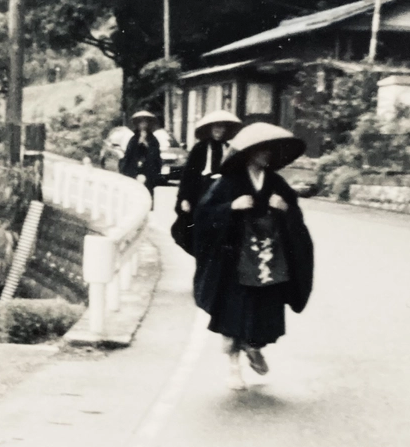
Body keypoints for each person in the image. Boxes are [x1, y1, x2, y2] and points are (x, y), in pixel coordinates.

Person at [192, 121, 314, 390]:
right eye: (262, 150)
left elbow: (296, 218)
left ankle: (254, 346)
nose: (267, 155)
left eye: (270, 151)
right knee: (233, 315)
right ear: (248, 152)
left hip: (269, 261)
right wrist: (229, 207)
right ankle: (233, 367)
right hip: (234, 262)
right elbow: (202, 216)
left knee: (264, 314)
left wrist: (285, 209)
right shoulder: (228, 183)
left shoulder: (276, 182)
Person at [171, 109, 242, 255]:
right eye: (216, 127)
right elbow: (188, 175)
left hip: (220, 194)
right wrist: (184, 198)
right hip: (201, 192)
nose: (218, 130)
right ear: (210, 129)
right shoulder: (200, 148)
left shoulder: (228, 149)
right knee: (196, 228)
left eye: (222, 127)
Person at [117, 109, 162, 202]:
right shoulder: (133, 139)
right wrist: (138, 144)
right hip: (134, 170)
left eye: (145, 123)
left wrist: (146, 145)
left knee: (147, 192)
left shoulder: (153, 140)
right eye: (141, 123)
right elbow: (129, 154)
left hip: (148, 170)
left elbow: (155, 155)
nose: (143, 125)